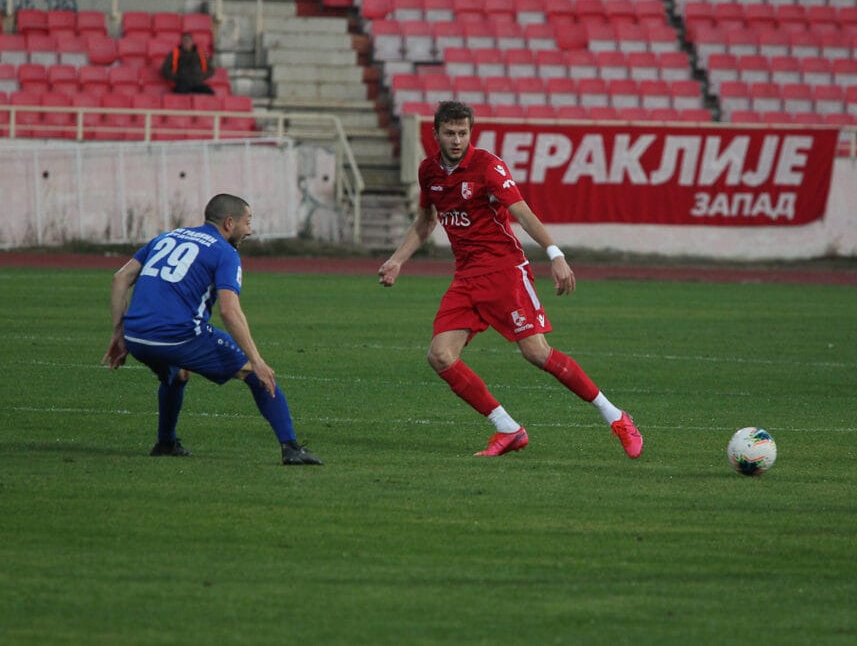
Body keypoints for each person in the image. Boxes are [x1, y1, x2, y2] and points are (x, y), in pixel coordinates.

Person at [378, 101, 643, 458]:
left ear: (470, 133)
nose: (457, 140)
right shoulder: (429, 171)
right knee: (440, 356)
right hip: (466, 277)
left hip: (504, 272)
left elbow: (523, 212)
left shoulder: (488, 166)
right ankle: (508, 429)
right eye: (450, 133)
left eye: (463, 133)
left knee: (536, 353)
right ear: (436, 134)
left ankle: (616, 417)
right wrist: (397, 260)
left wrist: (555, 254)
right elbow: (426, 221)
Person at [102, 193, 322, 466]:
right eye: (247, 222)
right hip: (178, 336)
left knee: (178, 374)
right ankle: (291, 448)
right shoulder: (224, 252)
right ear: (229, 223)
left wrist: (119, 333)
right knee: (255, 374)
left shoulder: (167, 237)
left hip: (136, 336)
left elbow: (120, 278)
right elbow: (229, 311)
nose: (249, 230)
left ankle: (166, 443)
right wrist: (256, 359)